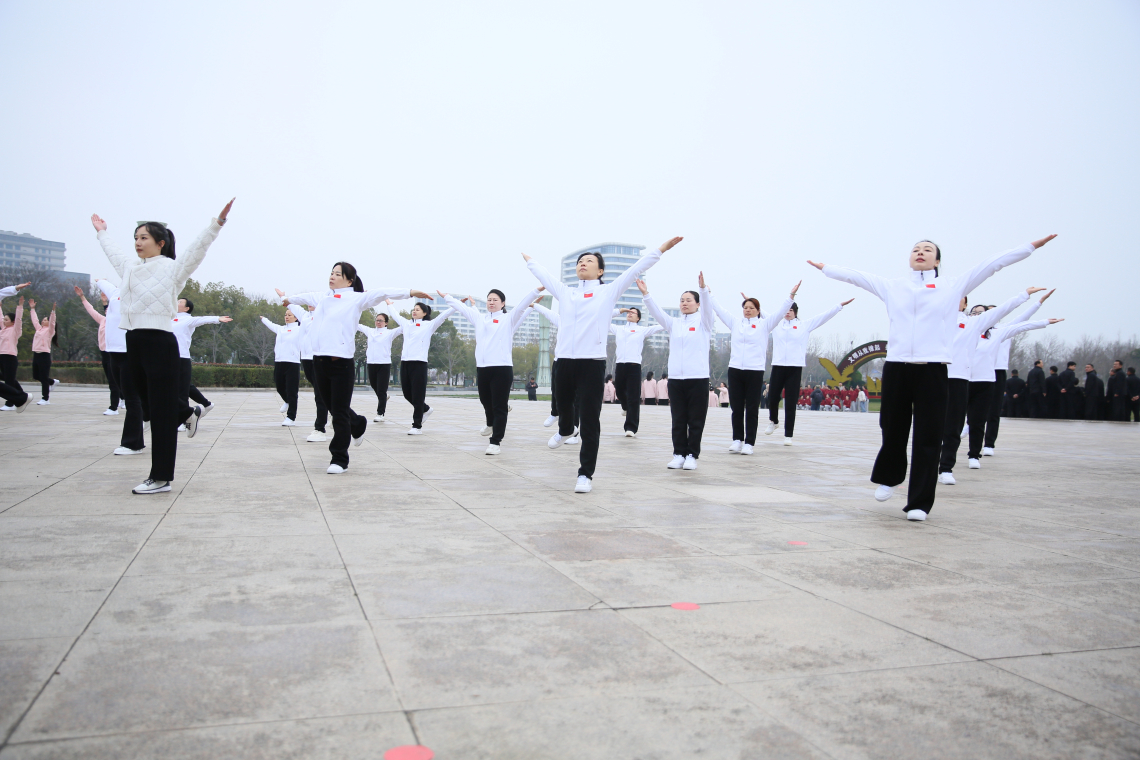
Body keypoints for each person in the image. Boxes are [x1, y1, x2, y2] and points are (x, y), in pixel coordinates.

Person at [808, 233, 1054, 520]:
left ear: (937, 260)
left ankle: (919, 503)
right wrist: (826, 268)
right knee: (892, 428)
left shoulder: (952, 286)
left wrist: (1030, 247)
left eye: (927, 249)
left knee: (928, 435)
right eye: (916, 249)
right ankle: (889, 477)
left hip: (933, 369)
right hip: (897, 366)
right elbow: (857, 277)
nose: (920, 252)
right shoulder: (894, 287)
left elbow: (991, 265)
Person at [91, 199, 235, 494]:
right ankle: (185, 413)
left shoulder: (172, 268)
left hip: (160, 342)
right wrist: (102, 232)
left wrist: (216, 224)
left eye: (144, 237)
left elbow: (196, 250)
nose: (137, 242)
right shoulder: (130, 268)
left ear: (161, 243)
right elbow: (114, 253)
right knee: (146, 403)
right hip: (133, 340)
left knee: (160, 414)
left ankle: (160, 477)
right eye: (136, 237)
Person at [521, 237, 682, 493]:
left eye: (589, 261)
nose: (582, 264)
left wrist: (661, 249)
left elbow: (636, 269)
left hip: (591, 364)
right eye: (580, 261)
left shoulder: (608, 291)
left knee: (589, 419)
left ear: (600, 271)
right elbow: (545, 275)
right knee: (561, 405)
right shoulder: (566, 292)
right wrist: (529, 260)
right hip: (564, 361)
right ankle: (566, 430)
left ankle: (585, 474)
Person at [280, 264, 428, 473]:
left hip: (341, 363)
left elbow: (382, 292)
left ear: (349, 280)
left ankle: (339, 459)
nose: (332, 276)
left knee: (339, 413)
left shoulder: (356, 299)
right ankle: (357, 424)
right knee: (333, 406)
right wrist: (287, 299)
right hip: (319, 361)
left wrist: (410, 292)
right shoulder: (322, 297)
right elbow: (302, 298)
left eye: (337, 274)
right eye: (331, 273)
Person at [937, 287, 1038, 485]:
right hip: (936, 375)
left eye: (961, 297)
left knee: (954, 426)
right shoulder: (937, 319)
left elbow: (1007, 315)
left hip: (960, 378)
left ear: (965, 304)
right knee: (933, 424)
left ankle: (947, 467)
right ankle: (928, 463)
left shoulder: (973, 324)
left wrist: (1025, 296)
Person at [441, 284, 539, 454]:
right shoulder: (480, 318)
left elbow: (521, 307)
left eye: (495, 300)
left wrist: (536, 291)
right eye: (489, 300)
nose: (491, 302)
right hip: (483, 368)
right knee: (485, 401)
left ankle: (495, 442)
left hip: (502, 368)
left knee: (499, 406)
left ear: (503, 303)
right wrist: (446, 297)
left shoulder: (508, 319)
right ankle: (490, 423)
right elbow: (462, 309)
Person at [965, 315, 1061, 470]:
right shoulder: (964, 330)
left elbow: (1022, 323)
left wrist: (1042, 316)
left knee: (991, 412)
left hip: (992, 374)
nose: (980, 315)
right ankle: (966, 427)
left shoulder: (999, 331)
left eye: (985, 312)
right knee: (959, 412)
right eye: (976, 312)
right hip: (965, 374)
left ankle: (983, 447)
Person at [640, 272, 714, 471]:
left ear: (697, 304)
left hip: (697, 378)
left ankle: (692, 455)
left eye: (689, 300)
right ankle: (678, 454)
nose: (684, 303)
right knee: (678, 418)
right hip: (676, 379)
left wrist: (703, 290)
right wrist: (646, 294)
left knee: (695, 420)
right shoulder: (674, 323)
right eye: (682, 300)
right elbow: (657, 313)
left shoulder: (704, 323)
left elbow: (708, 309)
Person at [708, 285, 794, 454]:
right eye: (745, 308)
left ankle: (749, 443)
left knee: (752, 408)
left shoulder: (765, 324)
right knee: (736, 408)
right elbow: (719, 310)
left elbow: (779, 313)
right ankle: (737, 440)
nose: (747, 310)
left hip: (754, 371)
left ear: (758, 311)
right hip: (735, 370)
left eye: (751, 308)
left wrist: (791, 296)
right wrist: (708, 294)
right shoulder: (735, 323)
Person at [765, 294, 851, 446]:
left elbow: (823, 317)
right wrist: (750, 301)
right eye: (786, 310)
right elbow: (760, 312)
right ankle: (774, 421)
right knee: (772, 397)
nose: (788, 312)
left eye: (791, 310)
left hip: (794, 368)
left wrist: (839, 306)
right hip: (778, 366)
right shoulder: (776, 325)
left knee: (790, 401)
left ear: (795, 312)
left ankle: (788, 435)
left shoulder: (804, 326)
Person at [390, 300, 455, 435]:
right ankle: (425, 409)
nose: (414, 311)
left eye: (418, 309)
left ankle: (417, 425)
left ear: (425, 313)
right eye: (414, 309)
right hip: (405, 362)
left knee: (418, 395)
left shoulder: (429, 325)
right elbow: (395, 315)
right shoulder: (406, 324)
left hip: (419, 363)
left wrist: (456, 305)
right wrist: (388, 303)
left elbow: (443, 316)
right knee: (407, 394)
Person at [172, 298, 230, 429]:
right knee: (181, 387)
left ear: (187, 308)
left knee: (182, 390)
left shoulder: (188, 319)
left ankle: (183, 420)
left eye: (180, 302)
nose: (176, 302)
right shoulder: (169, 318)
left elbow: (203, 319)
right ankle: (206, 404)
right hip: (167, 358)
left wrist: (217, 319)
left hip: (181, 357)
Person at [529, 301, 579, 441]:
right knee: (556, 390)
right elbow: (548, 313)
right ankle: (555, 413)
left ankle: (574, 432)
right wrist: (535, 305)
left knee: (574, 400)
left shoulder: (586, 321)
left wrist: (618, 311)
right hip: (560, 360)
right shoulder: (562, 320)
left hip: (577, 361)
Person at [611, 306, 663, 436]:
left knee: (633, 397)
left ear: (638, 318)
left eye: (633, 313)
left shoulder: (642, 330)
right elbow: (602, 318)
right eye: (629, 312)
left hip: (634, 366)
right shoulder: (618, 329)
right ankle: (625, 407)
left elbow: (661, 326)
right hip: (620, 365)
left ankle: (631, 428)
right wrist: (619, 311)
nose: (630, 314)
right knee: (619, 390)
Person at [282, 300, 329, 443]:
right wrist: (284, 297)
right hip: (306, 358)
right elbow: (291, 305)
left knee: (320, 395)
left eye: (312, 301)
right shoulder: (304, 316)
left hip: (319, 357)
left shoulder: (324, 315)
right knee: (323, 393)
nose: (309, 303)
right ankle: (341, 414)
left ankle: (320, 429)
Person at [75, 285, 122, 415]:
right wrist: (82, 297)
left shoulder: (119, 322)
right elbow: (90, 310)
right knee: (113, 380)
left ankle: (114, 407)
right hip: (104, 354)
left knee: (114, 382)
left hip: (115, 354)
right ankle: (122, 398)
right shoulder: (102, 320)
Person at [356, 302, 403, 422]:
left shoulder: (390, 333)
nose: (378, 322)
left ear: (386, 323)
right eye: (377, 320)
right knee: (374, 385)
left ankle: (380, 413)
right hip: (371, 363)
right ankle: (384, 397)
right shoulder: (370, 331)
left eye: (381, 320)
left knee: (381, 389)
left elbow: (404, 327)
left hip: (384, 364)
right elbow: (356, 324)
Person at [260, 309, 306, 426]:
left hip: (292, 363)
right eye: (286, 315)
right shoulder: (281, 329)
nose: (287, 316)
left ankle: (291, 418)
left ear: (296, 317)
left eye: (289, 315)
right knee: (279, 387)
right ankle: (287, 401)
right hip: (279, 361)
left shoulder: (300, 329)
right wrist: (263, 319)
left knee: (292, 391)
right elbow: (271, 325)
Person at [0, 285, 31, 410]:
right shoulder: (3, 330)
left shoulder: (15, 330)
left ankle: (10, 403)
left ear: (12, 322)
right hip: (1, 356)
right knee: (10, 379)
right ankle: (23, 396)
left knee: (9, 381)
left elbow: (18, 319)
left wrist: (20, 307)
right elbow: (0, 318)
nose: (4, 321)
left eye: (6, 320)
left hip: (10, 357)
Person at [27, 300, 58, 405]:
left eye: (45, 320)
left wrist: (53, 311)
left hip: (44, 355)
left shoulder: (50, 331)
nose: (42, 321)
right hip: (36, 354)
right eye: (43, 320)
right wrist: (32, 309)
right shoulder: (39, 329)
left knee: (44, 378)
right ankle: (52, 382)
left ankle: (45, 399)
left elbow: (52, 322)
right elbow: (34, 320)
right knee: (36, 376)